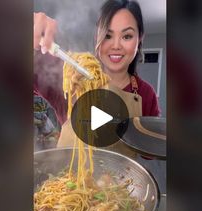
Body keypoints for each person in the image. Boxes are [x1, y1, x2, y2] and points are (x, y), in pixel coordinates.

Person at [34, 0, 161, 154]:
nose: (116, 45)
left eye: (127, 36)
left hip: (122, 176)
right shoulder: (67, 76)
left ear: (139, 38)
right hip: (67, 174)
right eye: (107, 35)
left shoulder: (146, 93)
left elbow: (148, 152)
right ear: (97, 37)